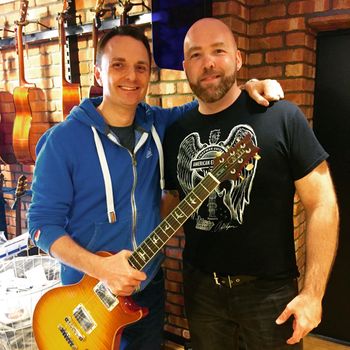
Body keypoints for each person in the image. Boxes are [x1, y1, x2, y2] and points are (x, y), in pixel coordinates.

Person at [27, 25, 284, 350]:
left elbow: (213, 100)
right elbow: (40, 226)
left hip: (147, 292)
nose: (131, 77)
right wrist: (101, 267)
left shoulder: (160, 124)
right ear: (98, 72)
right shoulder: (62, 142)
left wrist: (249, 86)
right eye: (118, 65)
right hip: (85, 300)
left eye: (141, 67)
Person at [162, 18, 339, 350]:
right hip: (201, 293)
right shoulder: (176, 131)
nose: (208, 62)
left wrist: (313, 295)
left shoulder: (281, 116)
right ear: (185, 66)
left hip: (269, 295)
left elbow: (322, 203)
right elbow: (173, 201)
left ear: (238, 58)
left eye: (218, 51)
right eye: (196, 55)